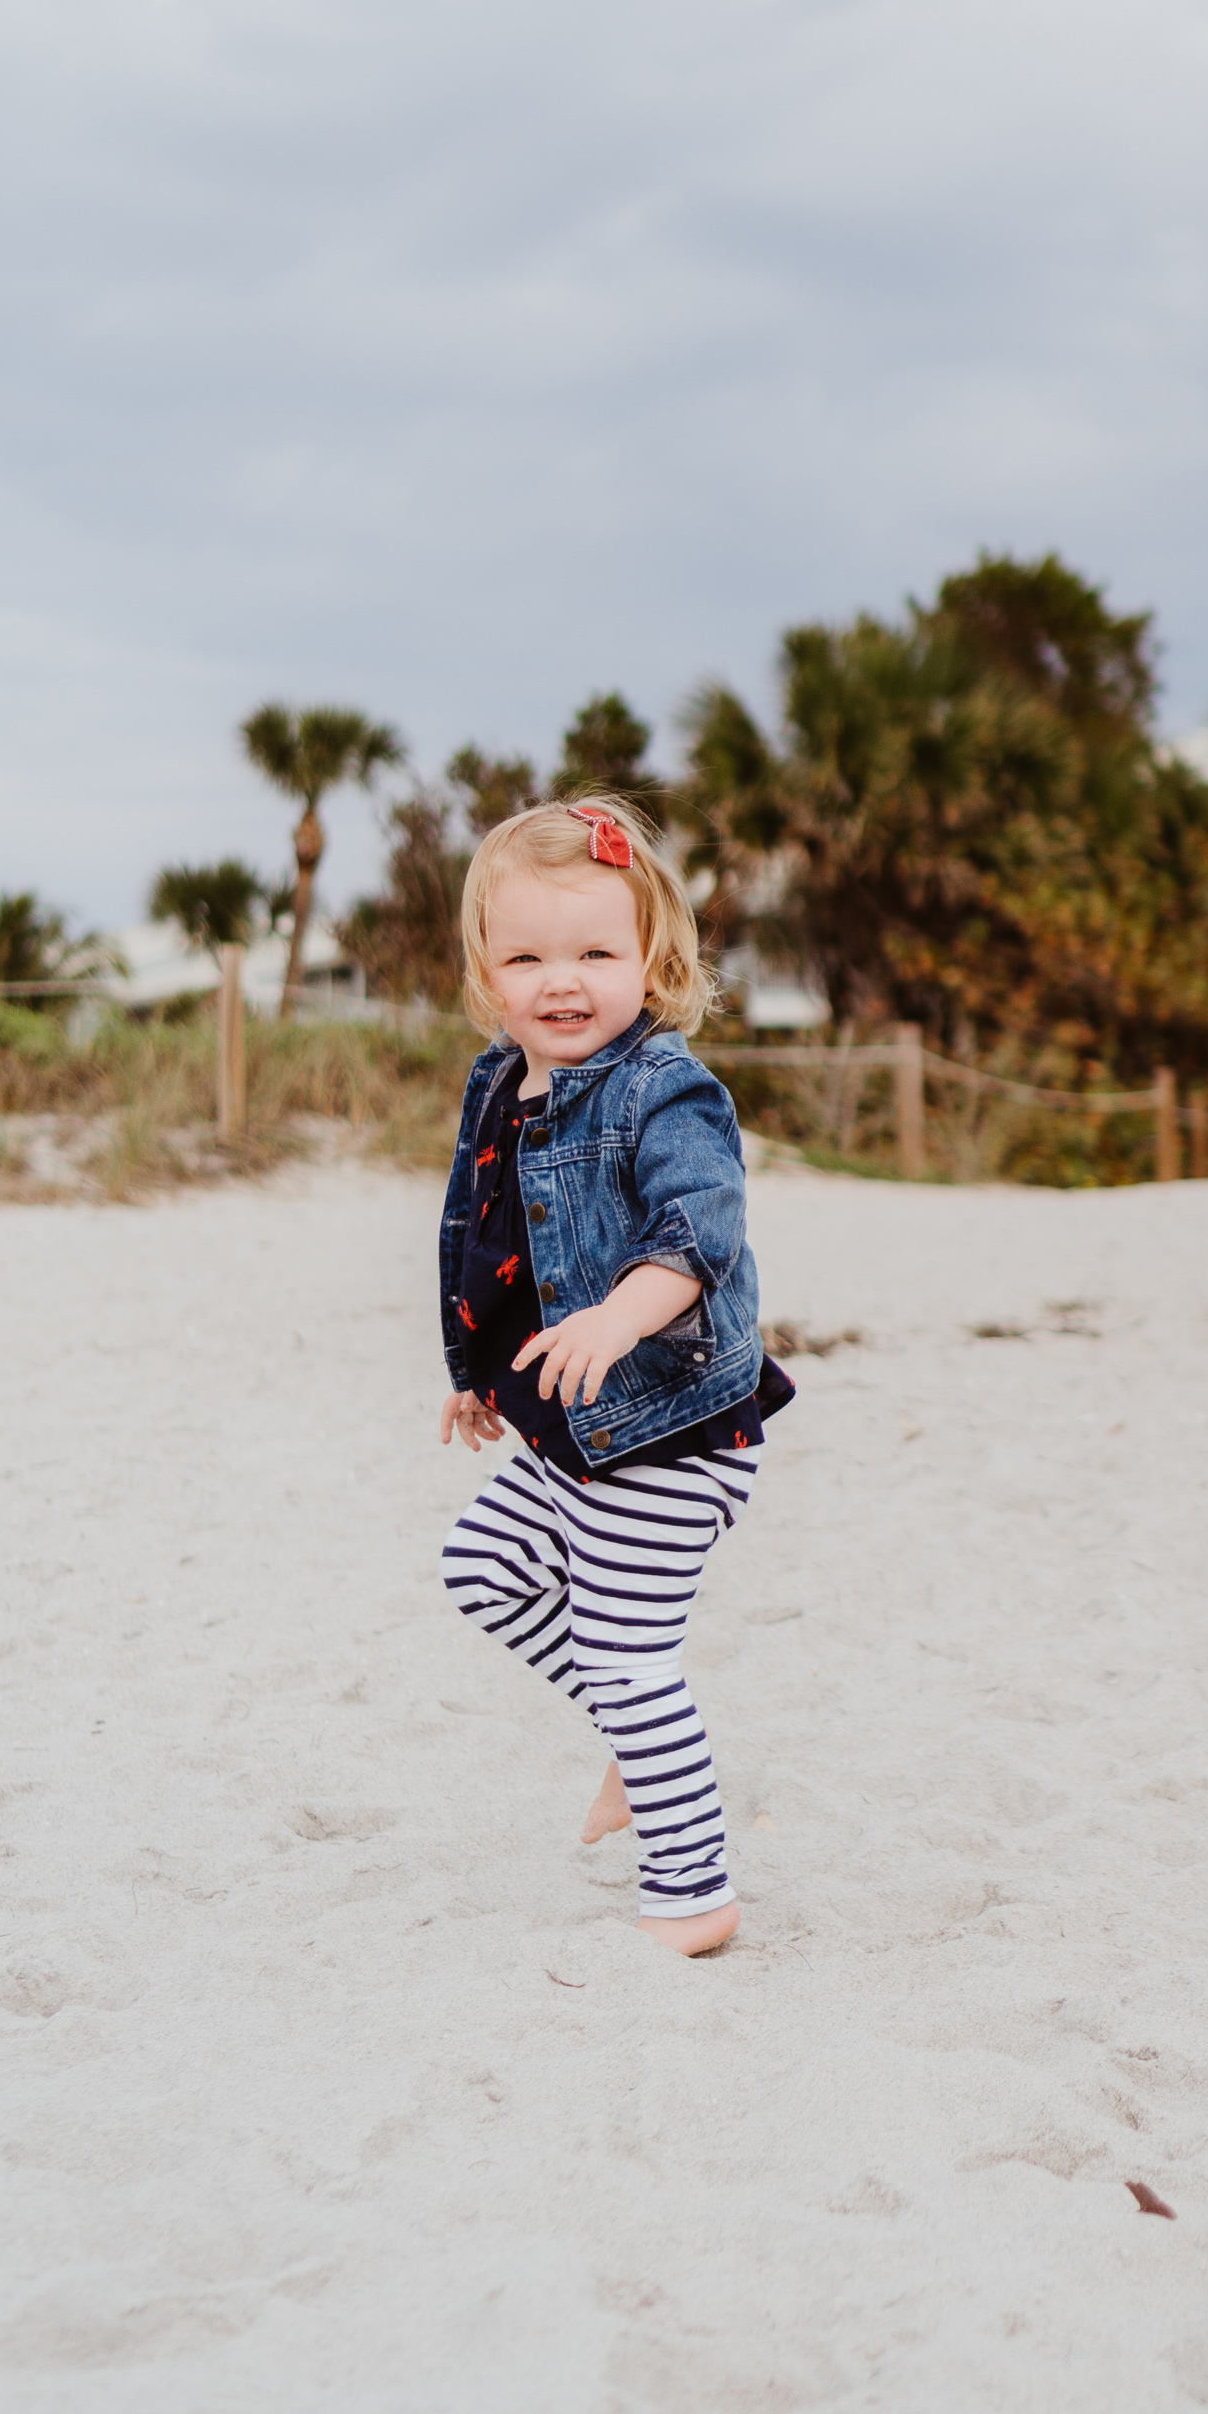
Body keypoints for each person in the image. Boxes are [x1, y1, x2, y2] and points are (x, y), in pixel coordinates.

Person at [436, 795, 791, 1956]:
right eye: (528, 954)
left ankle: (695, 1897)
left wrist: (618, 1315)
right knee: (482, 1568)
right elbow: (496, 1243)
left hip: (671, 1431)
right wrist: (475, 1373)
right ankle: (643, 1750)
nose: (564, 981)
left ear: (654, 959)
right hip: (569, 1430)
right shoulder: (502, 1086)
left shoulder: (663, 1088)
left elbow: (701, 1230)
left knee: (628, 1652)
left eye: (596, 951)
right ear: (489, 973)